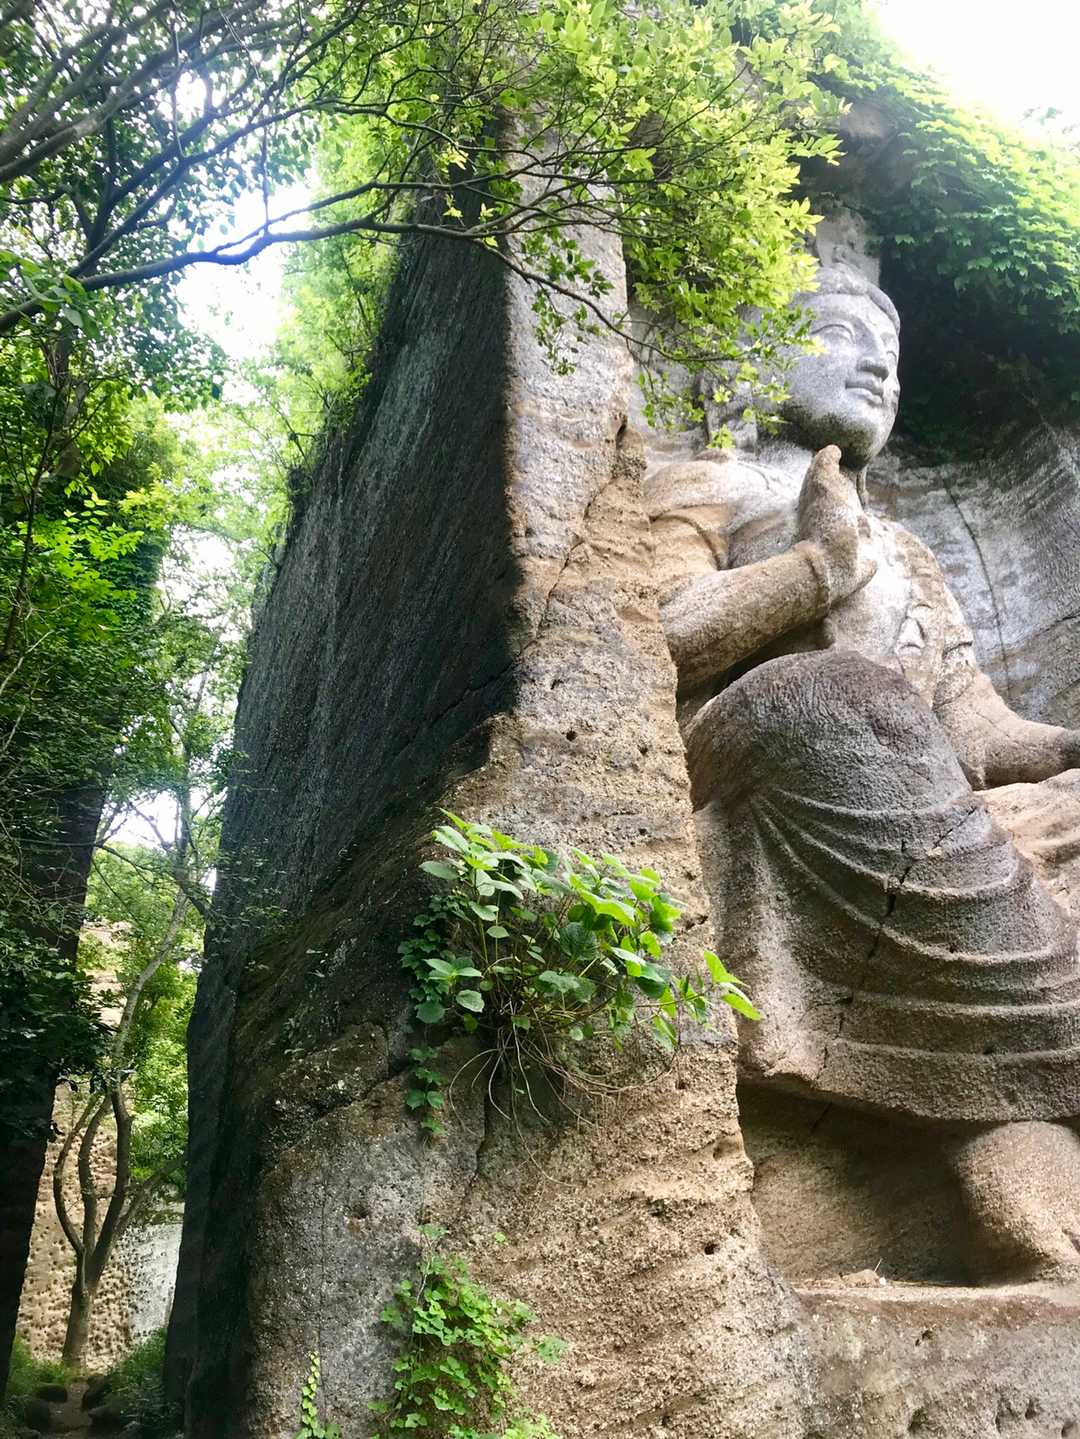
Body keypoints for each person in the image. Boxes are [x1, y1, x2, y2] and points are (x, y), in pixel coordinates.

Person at [647, 265, 1080, 1277]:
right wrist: (819, 567)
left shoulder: (912, 550)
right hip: (761, 746)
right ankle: (1031, 1104)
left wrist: (1067, 749)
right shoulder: (707, 485)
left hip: (909, 772)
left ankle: (1013, 1100)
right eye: (845, 334)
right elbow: (657, 632)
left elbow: (978, 730)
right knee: (846, 695)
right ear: (755, 362)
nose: (880, 365)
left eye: (892, 352)